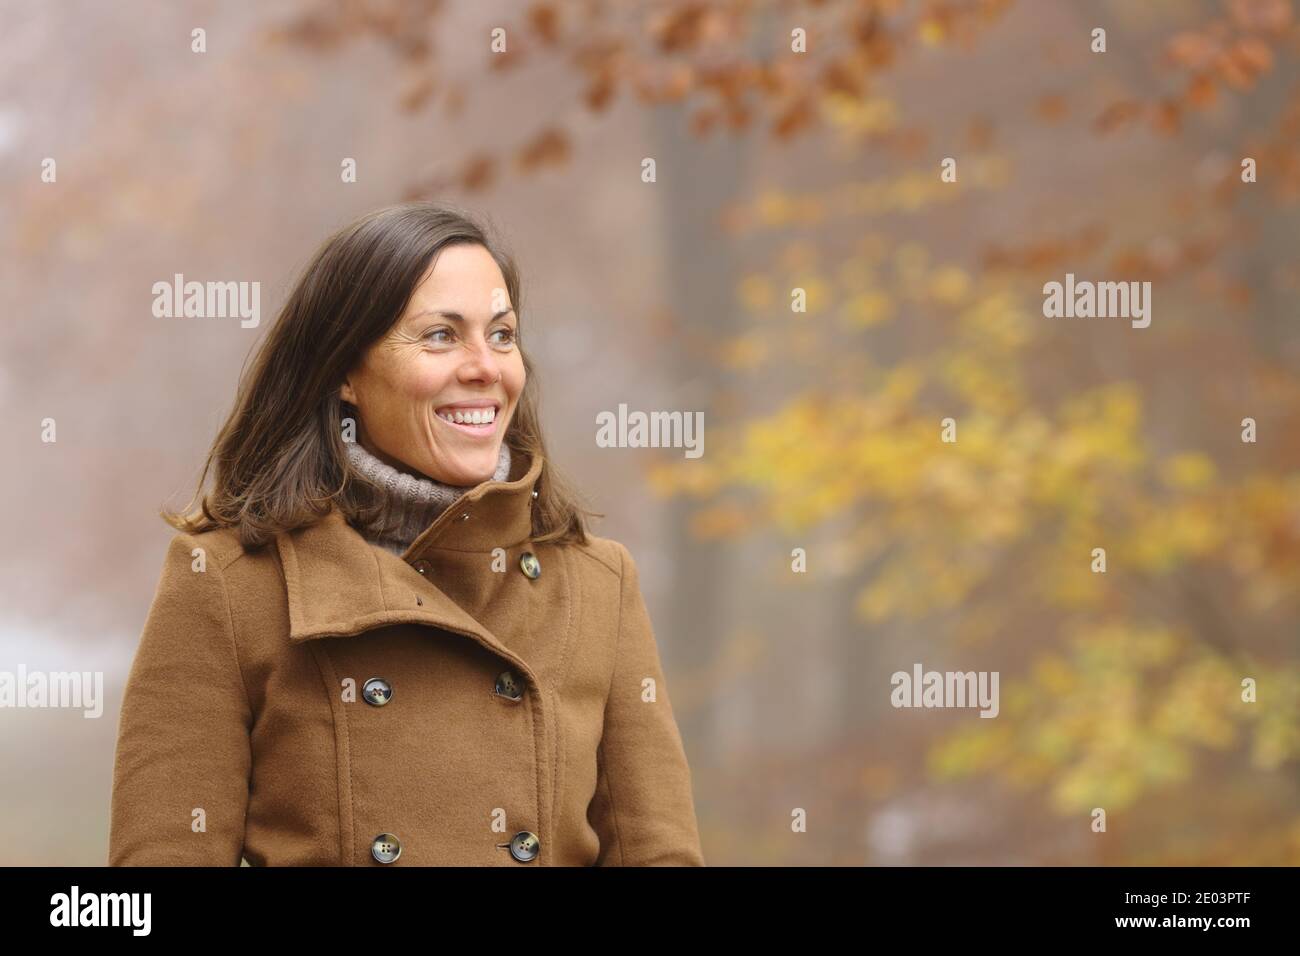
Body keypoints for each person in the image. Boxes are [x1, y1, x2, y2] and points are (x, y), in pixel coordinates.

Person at [108, 201, 705, 866]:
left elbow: (660, 857)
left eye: (502, 335)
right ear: (345, 371)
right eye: (441, 336)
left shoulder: (598, 584)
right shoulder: (225, 584)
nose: (487, 367)